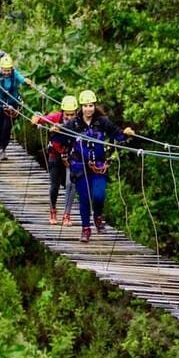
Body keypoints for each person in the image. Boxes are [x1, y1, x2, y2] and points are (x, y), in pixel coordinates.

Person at [53, 90, 135, 243]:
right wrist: (55, 131)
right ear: (81, 107)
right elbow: (61, 138)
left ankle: (97, 216)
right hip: (80, 166)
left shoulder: (102, 122)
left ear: (94, 106)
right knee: (84, 198)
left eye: (91, 105)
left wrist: (126, 134)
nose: (88, 109)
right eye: (85, 106)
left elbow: (116, 133)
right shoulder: (74, 123)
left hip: (98, 166)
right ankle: (86, 229)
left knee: (99, 196)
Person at [31, 94, 78, 225]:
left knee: (71, 184)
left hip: (71, 155)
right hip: (55, 155)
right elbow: (43, 119)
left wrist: (61, 127)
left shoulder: (78, 123)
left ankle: (67, 215)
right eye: (67, 114)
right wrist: (36, 118)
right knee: (54, 185)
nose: (69, 117)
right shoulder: (55, 117)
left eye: (72, 114)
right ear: (62, 112)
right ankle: (53, 210)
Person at [0, 55, 30, 161]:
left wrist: (26, 81)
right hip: (0, 106)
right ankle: (0, 148)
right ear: (0, 69)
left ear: (11, 69)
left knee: (7, 128)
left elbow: (21, 79)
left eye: (8, 70)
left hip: (13, 107)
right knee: (0, 128)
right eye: (4, 70)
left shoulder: (15, 74)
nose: (6, 72)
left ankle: (3, 148)